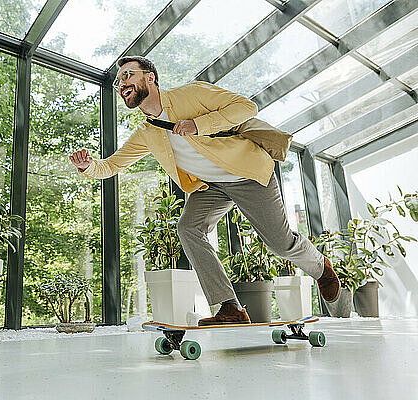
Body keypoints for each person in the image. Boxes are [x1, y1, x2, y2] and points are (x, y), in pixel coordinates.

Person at [69, 56, 340, 325]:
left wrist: (198, 125)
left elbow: (246, 107)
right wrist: (88, 166)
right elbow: (112, 165)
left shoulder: (192, 93)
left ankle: (321, 268)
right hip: (209, 186)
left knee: (280, 243)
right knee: (188, 228)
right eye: (118, 80)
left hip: (246, 173)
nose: (121, 83)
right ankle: (230, 308)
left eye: (128, 75)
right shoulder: (147, 132)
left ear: (150, 77)